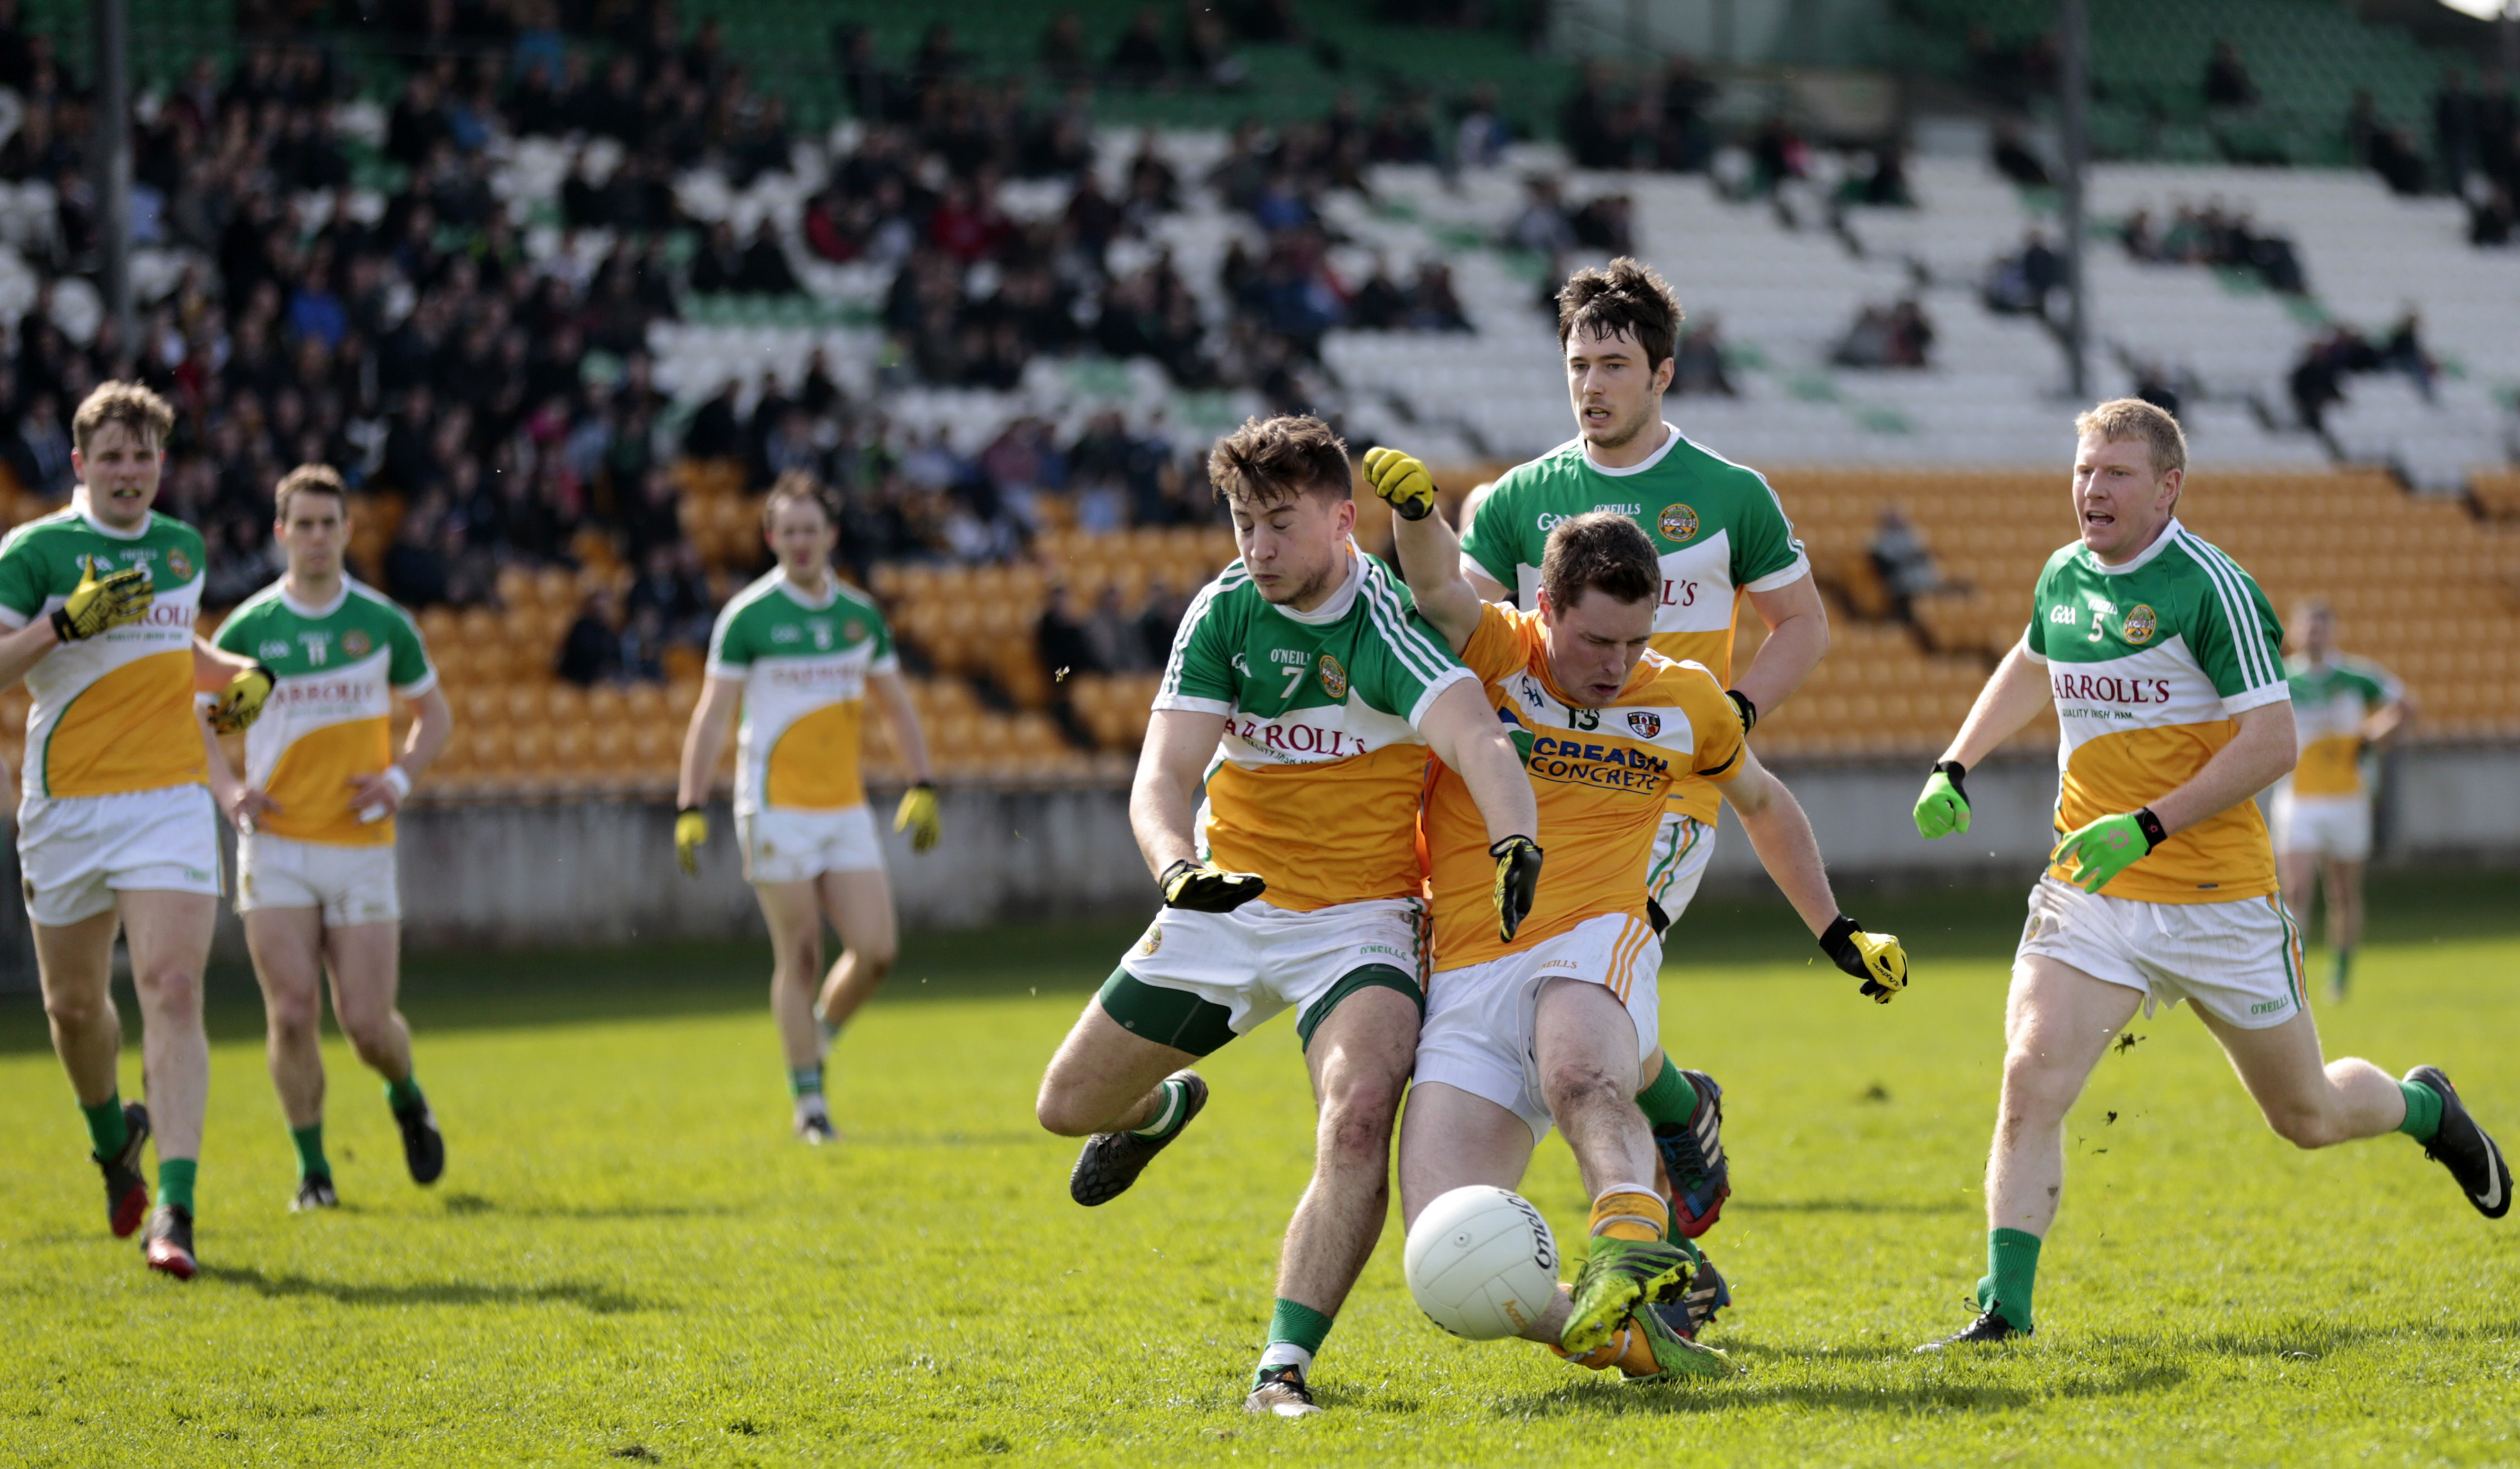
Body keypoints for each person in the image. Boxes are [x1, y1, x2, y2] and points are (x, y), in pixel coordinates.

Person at [1910, 399, 2509, 1349]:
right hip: (2090, 892)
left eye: (2114, 474)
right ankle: (2004, 1314)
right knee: (2029, 1078)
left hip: (2215, 901)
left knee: (2305, 1116)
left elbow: (2273, 743)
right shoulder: (2064, 575)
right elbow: (2031, 661)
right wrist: (1955, 763)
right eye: (2082, 470)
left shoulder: (2211, 587)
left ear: (2167, 487)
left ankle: (2428, 1110)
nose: (2090, 490)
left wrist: (2147, 826)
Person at [1031, 414, 1542, 1418]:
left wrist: (1512, 836)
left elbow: (1480, 742)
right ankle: (1162, 1108)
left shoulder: (1383, 620)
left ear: (1343, 520)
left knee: (1354, 1122)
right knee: (1065, 1108)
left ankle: (1281, 1369)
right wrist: (1177, 870)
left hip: (1361, 923)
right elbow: (1161, 775)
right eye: (1240, 522)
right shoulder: (1224, 611)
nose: (1256, 547)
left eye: (1278, 523)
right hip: (1226, 902)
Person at [1368, 476, 1909, 1381]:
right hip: (1463, 972)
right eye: (1595, 639)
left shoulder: (1688, 698)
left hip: (1595, 937)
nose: (1617, 663)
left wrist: (1837, 930)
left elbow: (1766, 805)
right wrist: (1417, 516)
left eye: (1636, 639)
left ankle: (1627, 1240)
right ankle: (1632, 1340)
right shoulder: (1501, 651)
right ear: (1546, 606)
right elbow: (1433, 589)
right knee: (1443, 1242)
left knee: (1580, 1069)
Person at [1454, 257, 1829, 1244]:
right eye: (1577, 363)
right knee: (1589, 1009)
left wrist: (1731, 716)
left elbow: (1801, 625)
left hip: (1668, 801)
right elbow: (1450, 638)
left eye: (1613, 364)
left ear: (1662, 375)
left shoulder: (1729, 494)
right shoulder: (1514, 499)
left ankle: (1652, 1260)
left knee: (1593, 1001)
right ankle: (1677, 1108)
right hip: (1542, 800)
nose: (1590, 385)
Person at [0, 381, 279, 1279]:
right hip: (66, 806)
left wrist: (243, 671)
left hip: (165, 798)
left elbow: (172, 653)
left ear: (161, 464)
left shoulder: (180, 546)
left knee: (172, 986)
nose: (130, 471)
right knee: (74, 1008)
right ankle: (111, 1136)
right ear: (80, 465)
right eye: (112, 456)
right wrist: (63, 622)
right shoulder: (34, 551)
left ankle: (177, 1205)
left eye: (144, 455)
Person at [212, 464, 456, 1211]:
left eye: (329, 523)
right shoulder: (252, 631)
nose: (317, 537)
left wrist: (400, 780)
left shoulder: (381, 624)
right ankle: (314, 1173)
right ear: (281, 532)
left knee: (366, 1024)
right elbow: (205, 718)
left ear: (348, 530)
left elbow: (434, 716)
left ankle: (406, 1093)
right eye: (303, 524)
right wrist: (228, 789)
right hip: (277, 845)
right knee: (290, 1011)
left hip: (360, 849)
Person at [675, 471, 940, 1143]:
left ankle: (814, 1039)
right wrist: (689, 803)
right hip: (773, 808)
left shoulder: (859, 616)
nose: (799, 541)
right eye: (787, 530)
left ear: (831, 536)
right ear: (771, 538)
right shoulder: (748, 618)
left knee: (877, 951)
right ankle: (811, 1107)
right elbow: (712, 718)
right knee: (799, 956)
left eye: (809, 530)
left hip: (843, 808)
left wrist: (922, 782)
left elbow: (895, 705)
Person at [2270, 601, 2410, 1001]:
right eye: (2308, 628)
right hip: (2300, 798)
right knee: (2295, 888)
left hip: (2347, 798)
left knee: (2343, 891)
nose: (2315, 635)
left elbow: (2404, 707)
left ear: (2332, 633)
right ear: (2295, 633)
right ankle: (2292, 977)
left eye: (2321, 627)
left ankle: (2341, 976)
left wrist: (2371, 740)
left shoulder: (2356, 676)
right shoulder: (2281, 679)